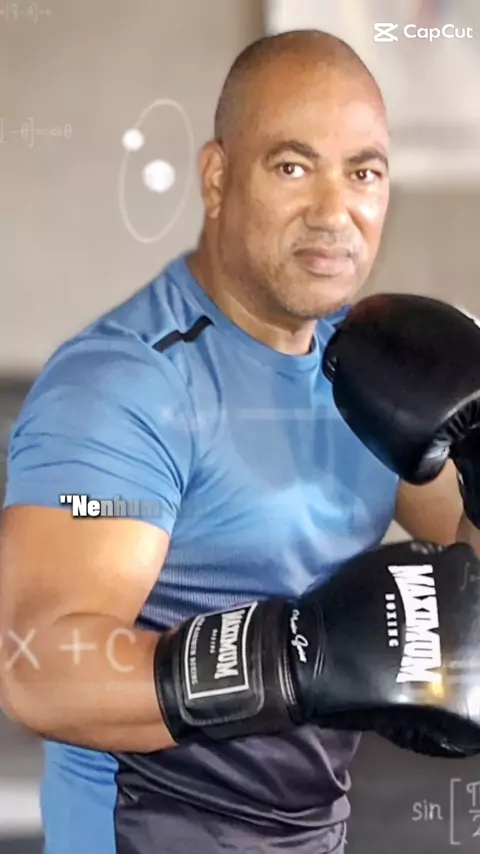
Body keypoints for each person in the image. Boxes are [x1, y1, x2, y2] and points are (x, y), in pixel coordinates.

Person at [0, 29, 477, 854]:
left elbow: (466, 568)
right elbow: (39, 667)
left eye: (363, 173)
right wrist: (287, 659)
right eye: (293, 167)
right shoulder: (127, 386)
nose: (333, 212)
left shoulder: (370, 365)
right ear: (217, 178)